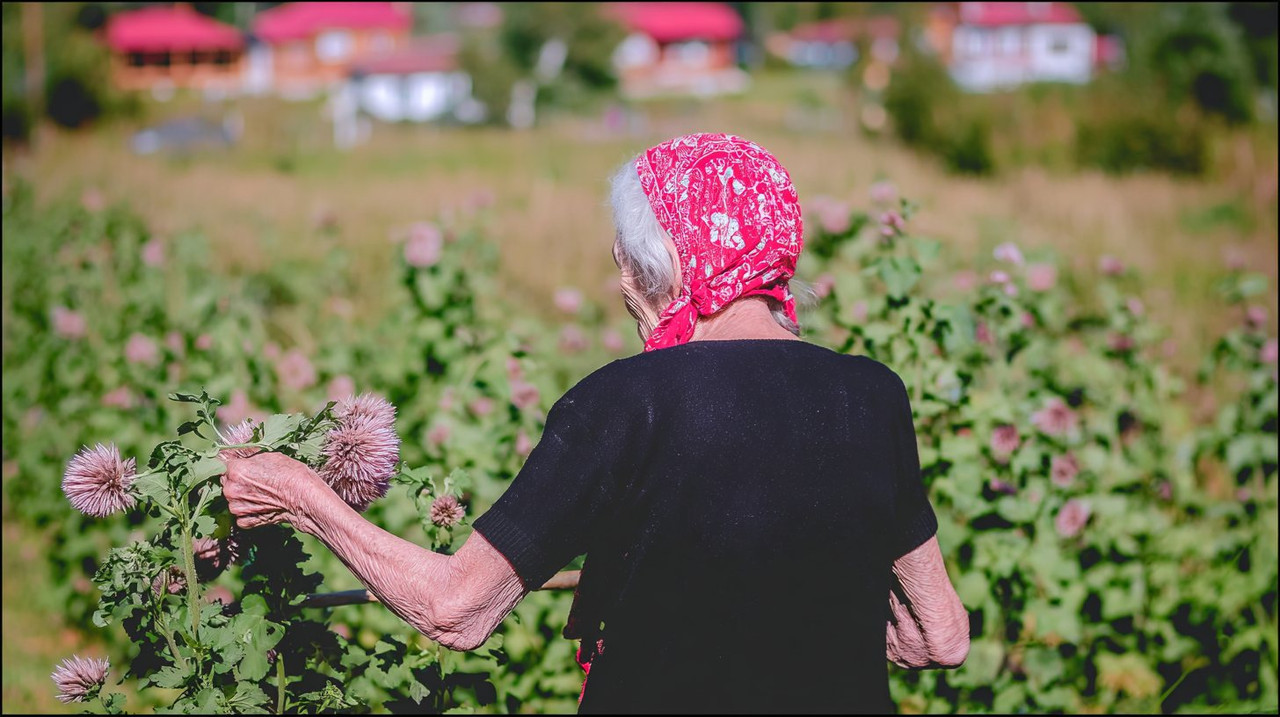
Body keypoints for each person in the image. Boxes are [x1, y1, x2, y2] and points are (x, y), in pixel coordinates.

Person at [224, 133, 969, 714]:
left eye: (627, 258)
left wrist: (300, 495)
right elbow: (940, 635)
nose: (621, 282)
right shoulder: (873, 395)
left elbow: (456, 609)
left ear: (666, 261)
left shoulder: (624, 403)